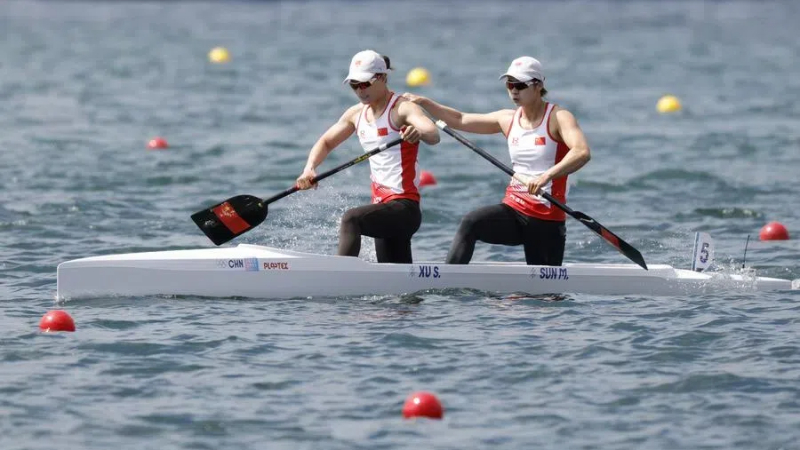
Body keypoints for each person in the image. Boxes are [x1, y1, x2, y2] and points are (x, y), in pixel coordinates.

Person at [403, 56, 591, 266]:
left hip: (546, 218)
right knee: (471, 222)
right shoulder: (508, 119)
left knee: (546, 297)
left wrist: (546, 176)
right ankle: (447, 281)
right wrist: (424, 103)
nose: (513, 91)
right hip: (514, 210)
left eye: (520, 85)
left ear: (538, 85)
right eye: (510, 85)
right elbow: (460, 119)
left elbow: (581, 152)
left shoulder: (559, 117)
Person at [296, 50, 440, 263]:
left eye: (365, 84)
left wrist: (418, 132)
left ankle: (340, 279)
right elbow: (326, 142)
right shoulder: (355, 114)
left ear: (382, 78)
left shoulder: (402, 109)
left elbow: (433, 134)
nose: (360, 91)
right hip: (383, 208)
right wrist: (310, 168)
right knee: (398, 284)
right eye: (355, 85)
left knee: (351, 219)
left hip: (404, 207)